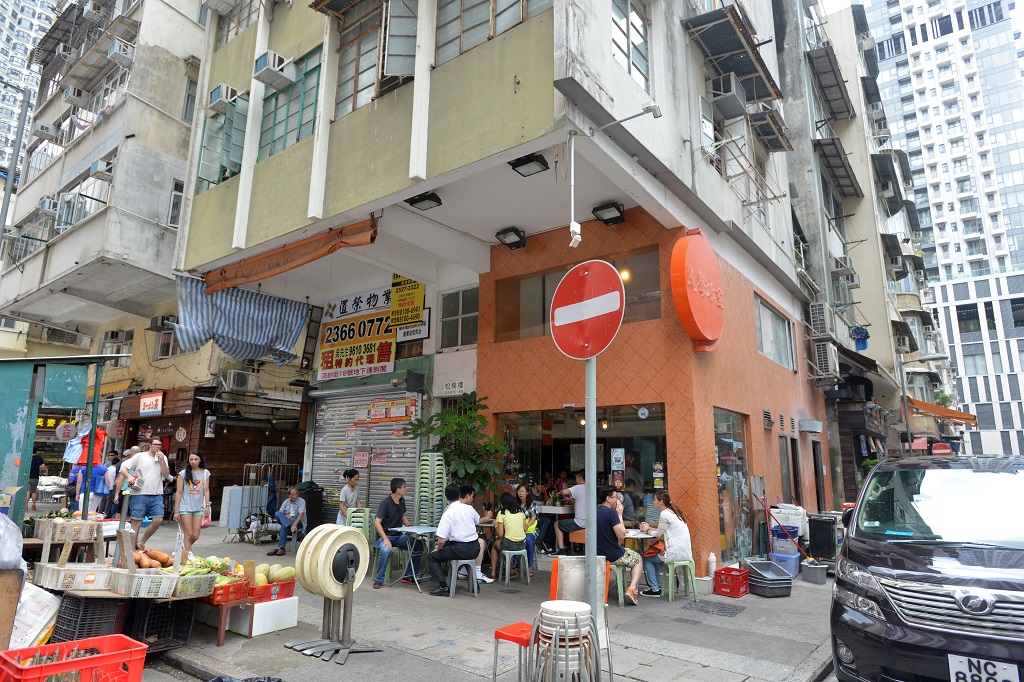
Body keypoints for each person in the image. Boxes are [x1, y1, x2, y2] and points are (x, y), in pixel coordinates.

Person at [428, 485, 490, 596]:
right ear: (459, 495)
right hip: (474, 548)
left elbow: (441, 540)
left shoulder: (448, 513)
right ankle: (474, 584)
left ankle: (443, 586)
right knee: (463, 555)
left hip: (459, 549)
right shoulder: (469, 508)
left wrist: (438, 549)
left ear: (446, 497)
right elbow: (477, 521)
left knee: (432, 557)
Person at [119, 439, 172, 550]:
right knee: (137, 522)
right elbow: (123, 468)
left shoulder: (163, 458)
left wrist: (162, 460)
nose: (157, 447)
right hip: (139, 493)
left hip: (157, 493)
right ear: (150, 445)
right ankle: (132, 550)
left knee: (158, 520)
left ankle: (141, 542)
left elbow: (166, 474)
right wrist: (129, 477)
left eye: (160, 445)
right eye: (155, 444)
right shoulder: (140, 456)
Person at [371, 477, 424, 588]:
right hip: (385, 537)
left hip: (399, 537)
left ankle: (409, 576)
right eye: (404, 487)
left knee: (418, 545)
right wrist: (385, 539)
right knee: (385, 550)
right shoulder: (385, 503)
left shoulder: (402, 501)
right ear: (398, 489)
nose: (406, 489)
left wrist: (409, 527)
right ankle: (379, 580)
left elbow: (402, 516)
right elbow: (377, 522)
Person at [638, 491, 692, 597]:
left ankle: (654, 589)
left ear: (661, 502)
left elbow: (658, 534)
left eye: (654, 500)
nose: (653, 502)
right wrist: (648, 528)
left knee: (646, 558)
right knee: (652, 557)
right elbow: (662, 530)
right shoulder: (672, 512)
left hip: (674, 552)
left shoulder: (665, 514)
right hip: (684, 551)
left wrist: (646, 529)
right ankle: (657, 586)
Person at [596, 486, 643, 605]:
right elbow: (622, 536)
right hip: (612, 554)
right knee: (638, 558)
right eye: (616, 497)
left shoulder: (594, 510)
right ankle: (632, 589)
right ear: (608, 498)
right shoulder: (611, 512)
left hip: (597, 553)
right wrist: (620, 515)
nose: (618, 500)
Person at [174, 451, 211, 554]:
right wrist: (176, 511)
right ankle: (188, 555)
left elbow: (206, 490)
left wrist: (207, 505)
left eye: (196, 459)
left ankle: (181, 550)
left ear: (200, 460)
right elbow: (178, 492)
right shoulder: (183, 473)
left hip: (198, 507)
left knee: (195, 535)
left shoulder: (205, 473)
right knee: (188, 533)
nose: (193, 461)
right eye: (191, 459)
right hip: (185, 506)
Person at [489, 492, 529, 580]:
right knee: (506, 542)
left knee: (495, 545)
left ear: (502, 503)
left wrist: (496, 525)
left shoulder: (502, 513)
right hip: (522, 544)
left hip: (509, 544)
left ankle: (493, 573)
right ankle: (510, 571)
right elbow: (525, 529)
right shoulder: (521, 511)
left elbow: (500, 534)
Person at [551, 471, 586, 556]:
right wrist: (572, 501)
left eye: (576, 478)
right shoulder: (590, 488)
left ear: (579, 478)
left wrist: (559, 493)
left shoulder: (579, 487)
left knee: (557, 524)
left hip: (581, 523)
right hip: (590, 523)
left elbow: (564, 492)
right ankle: (573, 547)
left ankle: (561, 549)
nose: (576, 480)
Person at [268, 486, 305, 556]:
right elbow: (280, 513)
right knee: (277, 513)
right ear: (289, 495)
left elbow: (301, 514)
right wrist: (286, 515)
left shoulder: (301, 501)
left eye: (296, 494)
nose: (295, 496)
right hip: (288, 520)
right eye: (293, 495)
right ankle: (289, 525)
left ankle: (281, 548)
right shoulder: (286, 501)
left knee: (283, 527)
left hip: (297, 521)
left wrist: (294, 524)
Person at [110, 447, 140, 519]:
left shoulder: (126, 463)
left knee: (120, 512)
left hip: (125, 490)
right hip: (138, 491)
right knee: (132, 514)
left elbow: (121, 479)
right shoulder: (143, 463)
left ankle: (118, 525)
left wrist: (116, 494)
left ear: (130, 454)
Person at [516, 483, 539, 574]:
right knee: (513, 539)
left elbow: (534, 517)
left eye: (523, 491)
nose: (520, 493)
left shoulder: (532, 503)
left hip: (531, 530)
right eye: (519, 491)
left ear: (527, 493)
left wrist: (527, 526)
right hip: (518, 530)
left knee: (528, 539)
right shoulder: (515, 503)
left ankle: (530, 565)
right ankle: (514, 564)